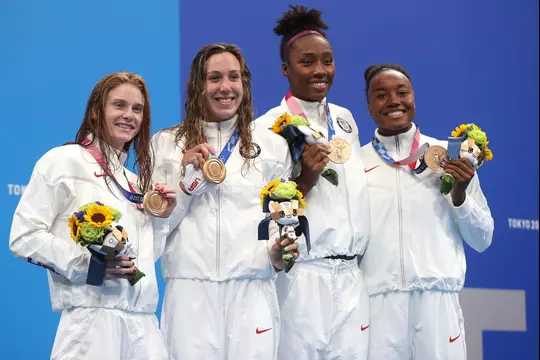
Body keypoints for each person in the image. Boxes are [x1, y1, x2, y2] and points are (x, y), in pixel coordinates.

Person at [9, 72, 176, 360]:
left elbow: (146, 260)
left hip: (144, 326)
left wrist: (162, 218)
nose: (129, 116)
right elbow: (24, 237)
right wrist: (87, 265)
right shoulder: (62, 161)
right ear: (97, 111)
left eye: (137, 109)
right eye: (119, 105)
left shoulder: (136, 183)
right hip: (91, 324)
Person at [152, 43, 297, 360]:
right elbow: (153, 229)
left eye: (234, 77)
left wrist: (276, 252)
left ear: (244, 83)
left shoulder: (272, 146)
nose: (225, 87)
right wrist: (185, 180)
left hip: (252, 289)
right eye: (214, 78)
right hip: (190, 292)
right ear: (198, 86)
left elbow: (283, 216)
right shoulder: (166, 144)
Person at [255, 5, 370, 359]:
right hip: (302, 276)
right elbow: (265, 210)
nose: (320, 70)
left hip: (352, 277)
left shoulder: (345, 120)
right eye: (308, 62)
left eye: (328, 60)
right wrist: (304, 178)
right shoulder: (268, 127)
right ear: (286, 69)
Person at [360, 63, 494, 360]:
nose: (394, 100)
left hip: (438, 304)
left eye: (402, 92)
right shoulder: (355, 165)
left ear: (414, 99)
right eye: (381, 95)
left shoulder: (451, 158)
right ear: (369, 107)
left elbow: (483, 238)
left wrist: (459, 195)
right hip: (377, 307)